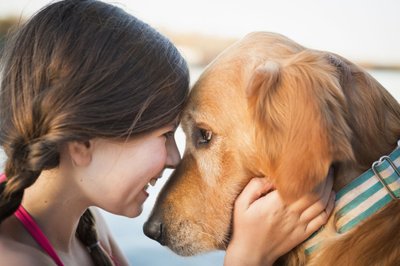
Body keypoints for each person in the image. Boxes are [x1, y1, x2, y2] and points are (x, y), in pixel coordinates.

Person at [0, 0, 334, 265]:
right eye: (164, 135)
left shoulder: (89, 227)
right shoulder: (15, 260)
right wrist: (248, 259)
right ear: (82, 141)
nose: (175, 159)